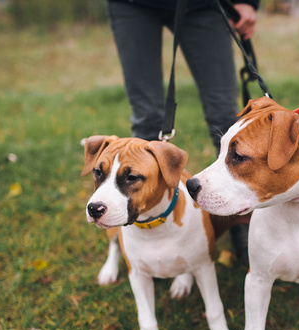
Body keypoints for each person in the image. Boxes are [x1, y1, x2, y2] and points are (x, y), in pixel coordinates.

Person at [106, 0, 258, 263]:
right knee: (147, 121)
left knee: (225, 117)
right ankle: (147, 233)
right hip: (132, 5)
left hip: (203, 5)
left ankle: (241, 221)